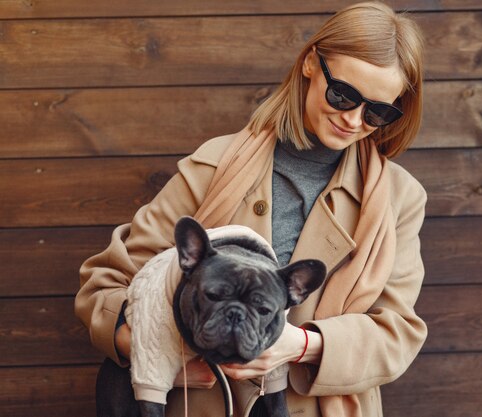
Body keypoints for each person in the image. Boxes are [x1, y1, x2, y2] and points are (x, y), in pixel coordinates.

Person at [75, 2, 428, 416]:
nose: (353, 119)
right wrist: (156, 354)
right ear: (311, 64)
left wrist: (301, 345)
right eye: (343, 95)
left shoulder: (399, 198)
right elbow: (107, 287)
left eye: (377, 112)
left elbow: (398, 333)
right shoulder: (213, 165)